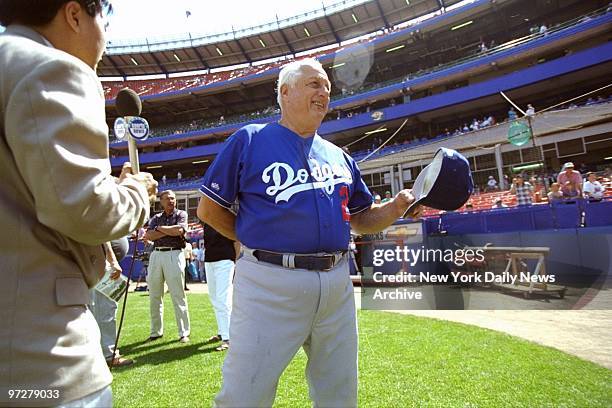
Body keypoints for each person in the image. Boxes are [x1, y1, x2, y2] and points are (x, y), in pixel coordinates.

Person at [197, 58, 421, 407]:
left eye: (327, 88)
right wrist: (251, 238)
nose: (324, 92)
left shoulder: (338, 156)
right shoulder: (250, 140)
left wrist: (394, 208)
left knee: (339, 394)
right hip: (269, 283)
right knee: (245, 395)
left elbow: (360, 219)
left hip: (336, 283)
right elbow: (208, 210)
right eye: (315, 84)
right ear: (285, 92)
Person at [0, 1, 157, 405]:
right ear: (74, 14)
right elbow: (85, 210)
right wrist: (136, 192)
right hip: (42, 359)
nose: (105, 30)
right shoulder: (54, 67)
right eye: (103, 14)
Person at [144, 190, 191, 343]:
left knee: (178, 295)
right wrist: (166, 231)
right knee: (155, 296)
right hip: (156, 255)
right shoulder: (156, 217)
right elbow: (148, 236)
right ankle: (155, 331)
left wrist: (158, 229)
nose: (171, 201)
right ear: (161, 201)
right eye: (167, 198)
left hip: (174, 254)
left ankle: (184, 332)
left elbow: (179, 230)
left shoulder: (181, 214)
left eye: (173, 198)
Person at [90, 239, 134, 368]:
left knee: (102, 311)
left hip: (94, 262)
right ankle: (108, 355)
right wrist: (113, 261)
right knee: (103, 312)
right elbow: (102, 236)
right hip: (95, 262)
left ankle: (104, 354)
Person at [203, 223, 239, 352]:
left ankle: (228, 338)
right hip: (209, 260)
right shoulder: (206, 218)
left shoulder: (227, 214)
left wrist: (237, 263)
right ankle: (222, 331)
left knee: (223, 299)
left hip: (225, 260)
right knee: (214, 298)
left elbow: (236, 241)